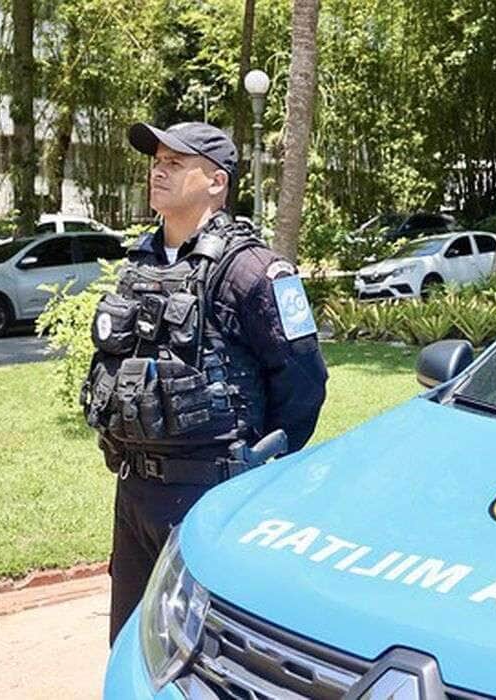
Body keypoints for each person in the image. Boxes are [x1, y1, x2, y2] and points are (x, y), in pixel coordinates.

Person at [81, 121, 328, 644]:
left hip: (207, 495)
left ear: (216, 182)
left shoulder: (252, 270)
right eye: (156, 160)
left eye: (175, 162)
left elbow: (303, 381)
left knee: (198, 652)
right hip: (135, 496)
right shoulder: (140, 264)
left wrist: (252, 463)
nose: (158, 169)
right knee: (131, 644)